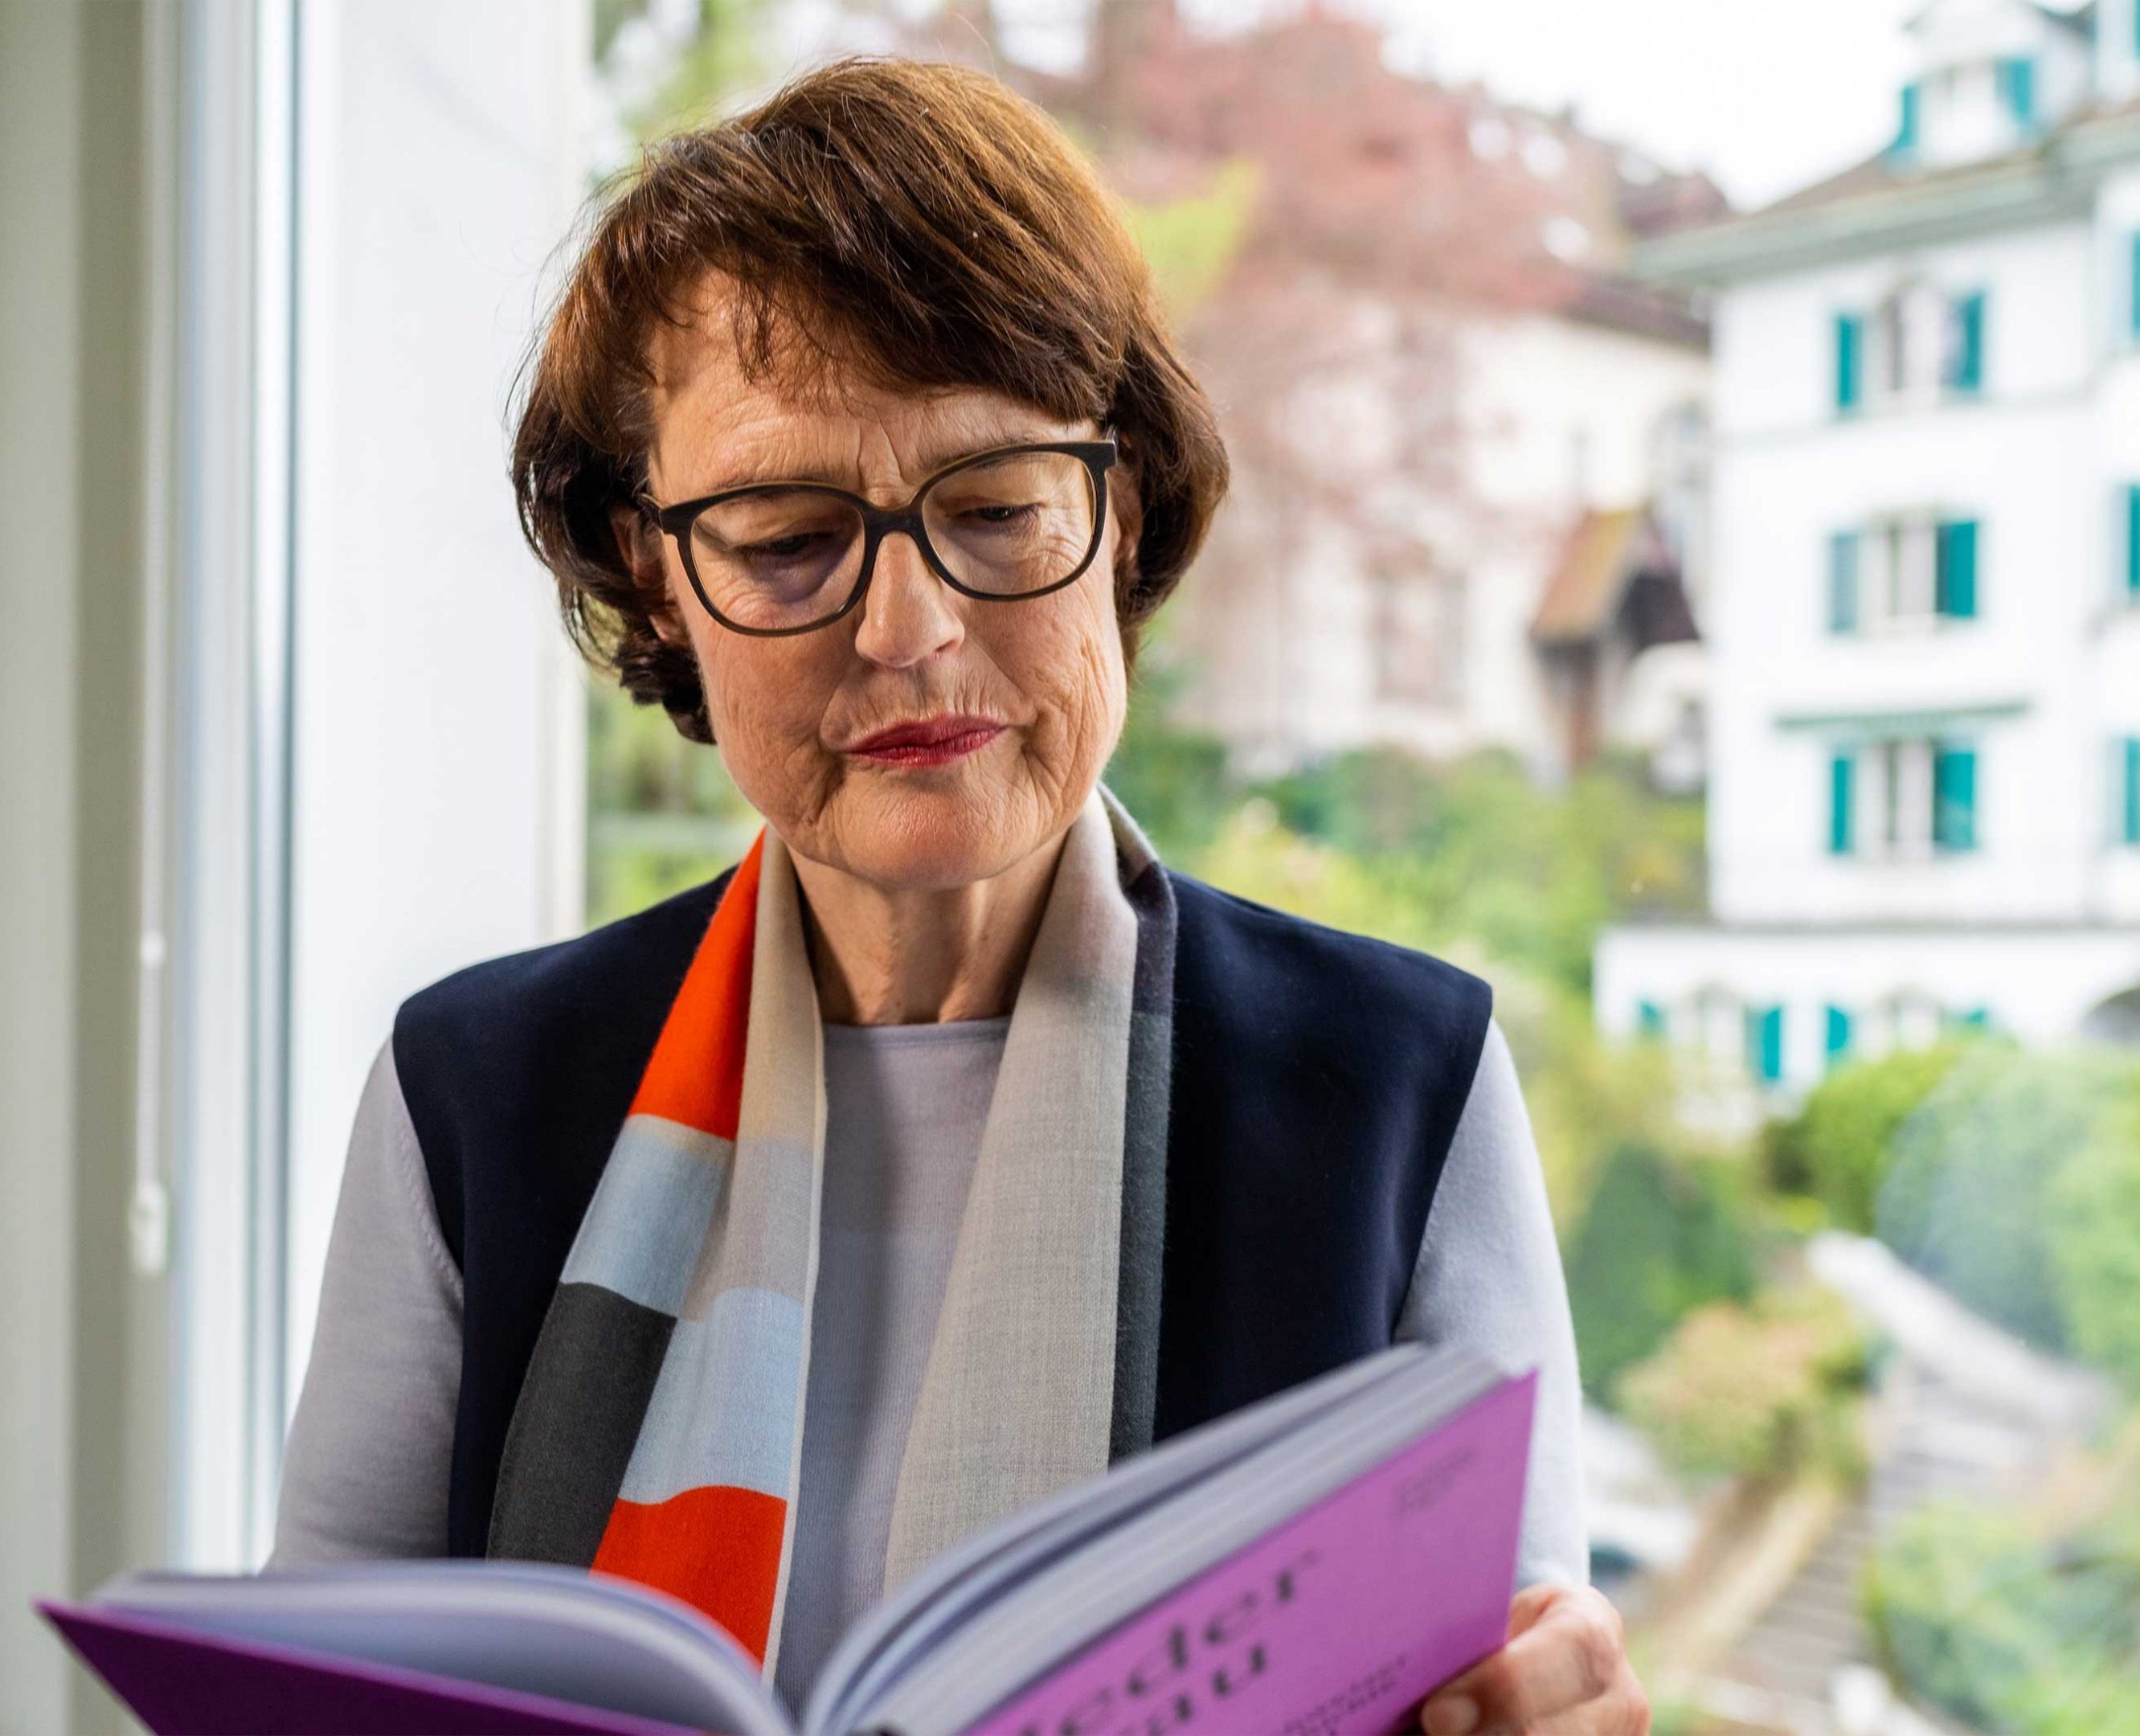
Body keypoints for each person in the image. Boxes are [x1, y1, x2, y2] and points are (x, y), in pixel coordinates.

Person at [271, 55, 1648, 1736]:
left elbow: (1503, 1667)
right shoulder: (472, 1096)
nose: (910, 626)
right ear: (658, 577)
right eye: (787, 539)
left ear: (1121, 509)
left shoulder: (1399, 1085)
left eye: (997, 512)